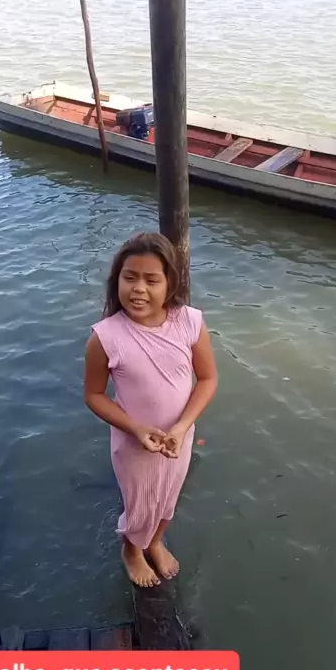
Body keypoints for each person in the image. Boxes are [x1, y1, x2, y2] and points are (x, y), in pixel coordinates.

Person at [84, 232, 218, 588]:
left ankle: (155, 541)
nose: (139, 289)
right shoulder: (105, 337)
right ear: (116, 281)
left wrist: (182, 427)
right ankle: (132, 549)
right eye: (129, 278)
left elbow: (207, 379)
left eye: (151, 280)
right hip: (134, 443)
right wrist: (136, 428)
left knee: (169, 496)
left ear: (170, 282)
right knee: (140, 503)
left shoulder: (190, 322)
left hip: (179, 437)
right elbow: (94, 395)